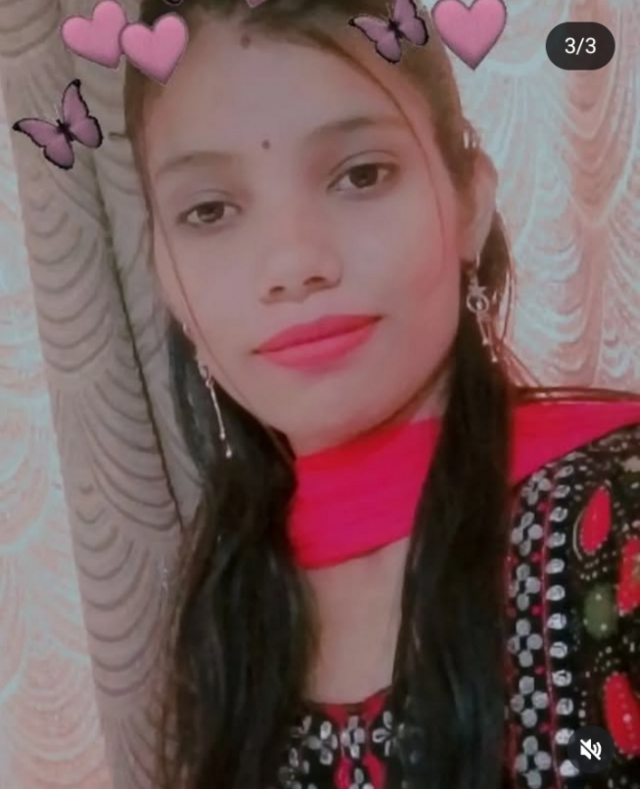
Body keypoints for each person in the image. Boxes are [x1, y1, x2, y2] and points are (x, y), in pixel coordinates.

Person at [122, 1, 640, 787]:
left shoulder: (617, 517)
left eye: (361, 174)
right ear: (163, 272)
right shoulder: (228, 596)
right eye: (209, 210)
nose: (294, 262)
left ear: (470, 203)